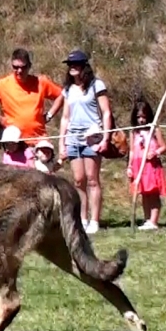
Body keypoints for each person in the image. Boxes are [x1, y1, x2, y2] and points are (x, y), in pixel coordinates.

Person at [58, 50, 113, 235]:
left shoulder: (96, 85)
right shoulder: (67, 89)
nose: (72, 67)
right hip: (73, 138)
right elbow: (65, 117)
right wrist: (61, 143)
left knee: (92, 179)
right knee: (78, 180)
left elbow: (106, 112)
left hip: (92, 136)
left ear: (84, 66)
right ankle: (82, 218)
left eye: (76, 64)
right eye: (70, 65)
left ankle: (94, 220)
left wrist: (105, 138)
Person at [0, 48, 64, 146]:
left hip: (38, 141)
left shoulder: (40, 82)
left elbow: (62, 95)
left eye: (23, 67)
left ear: (29, 66)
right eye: (15, 67)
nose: (19, 71)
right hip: (14, 143)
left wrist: (49, 115)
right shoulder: (3, 84)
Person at [127, 98, 166, 230]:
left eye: (144, 116)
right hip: (138, 166)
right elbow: (132, 150)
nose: (141, 120)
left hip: (151, 166)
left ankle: (153, 221)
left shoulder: (154, 129)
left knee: (153, 193)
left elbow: (163, 147)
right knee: (144, 193)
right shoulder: (133, 132)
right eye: (138, 117)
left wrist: (155, 153)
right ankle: (147, 219)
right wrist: (130, 166)